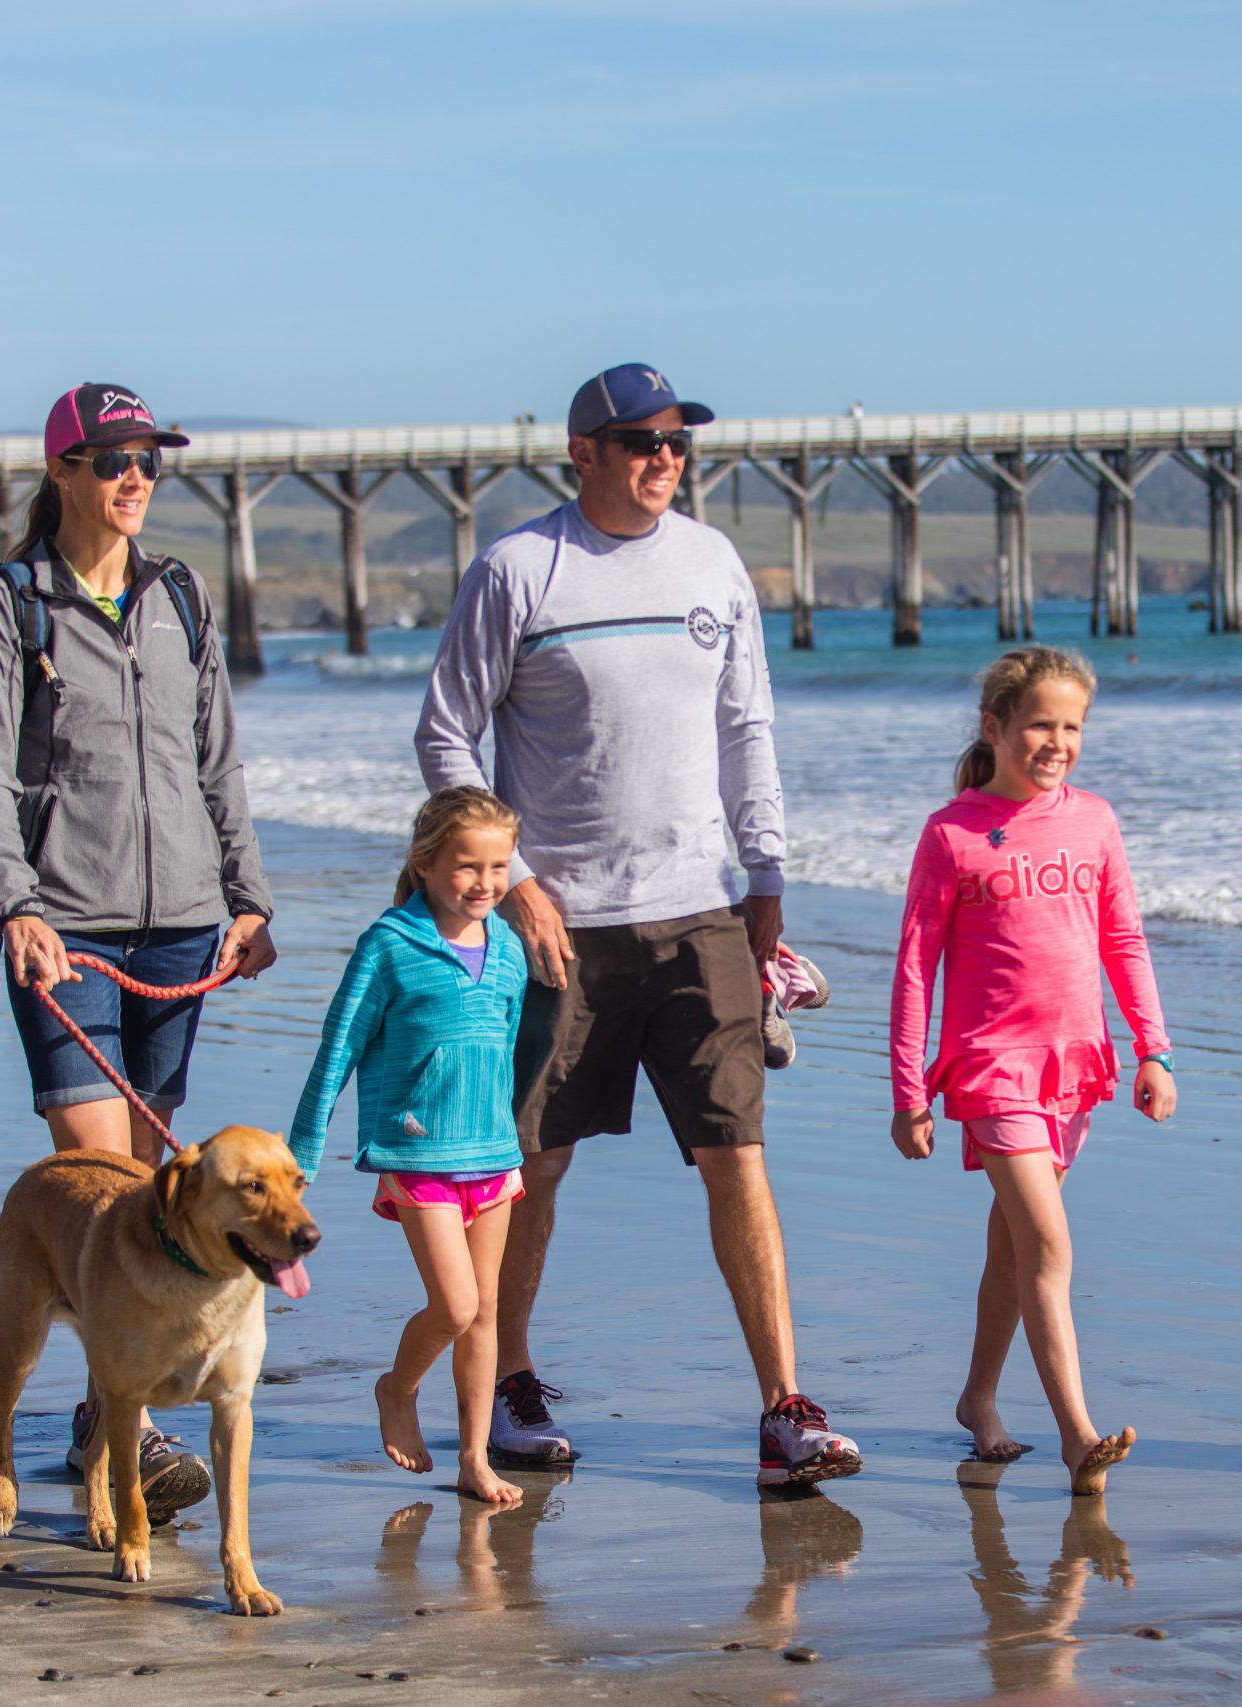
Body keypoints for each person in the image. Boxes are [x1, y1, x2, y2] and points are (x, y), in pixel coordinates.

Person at [415, 361, 860, 1486]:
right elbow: (444, 737)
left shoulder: (711, 563)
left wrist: (766, 873)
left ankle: (784, 1409)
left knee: (737, 1158)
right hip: (556, 928)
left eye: (676, 442)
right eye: (637, 440)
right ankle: (510, 1383)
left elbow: (745, 727)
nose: (662, 457)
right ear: (584, 455)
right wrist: (509, 880)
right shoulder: (521, 570)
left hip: (699, 913)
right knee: (532, 1166)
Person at [0, 381, 279, 1523]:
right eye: (113, 461)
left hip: (185, 916)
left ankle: (114, 1419)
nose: (135, 479)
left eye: (148, 461)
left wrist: (248, 896)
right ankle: (121, 1432)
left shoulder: (177, 593)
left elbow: (218, 759)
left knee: (162, 1183)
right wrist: (14, 906)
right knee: (103, 1182)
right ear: (63, 474)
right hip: (66, 922)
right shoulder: (12, 606)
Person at [889, 646, 1176, 1495]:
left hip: (1074, 1064)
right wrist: (910, 1093)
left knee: (1014, 1245)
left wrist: (1153, 1049)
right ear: (997, 727)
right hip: (990, 1067)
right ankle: (1078, 1435)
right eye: (1041, 724)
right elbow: (915, 968)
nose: (1058, 741)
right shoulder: (953, 832)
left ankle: (978, 1400)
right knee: (1048, 1242)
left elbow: (1123, 938)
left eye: (1073, 726)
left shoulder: (1094, 821)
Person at [288, 787, 531, 1507]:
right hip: (417, 1152)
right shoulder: (390, 942)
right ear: (425, 863)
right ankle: (397, 1387)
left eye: (498, 865)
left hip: (493, 1154)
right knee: (454, 1306)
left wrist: (512, 1136)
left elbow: (506, 1047)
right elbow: (339, 1046)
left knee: (485, 1312)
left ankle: (476, 1459)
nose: (485, 882)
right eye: (467, 865)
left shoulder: (509, 948)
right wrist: (302, 1149)